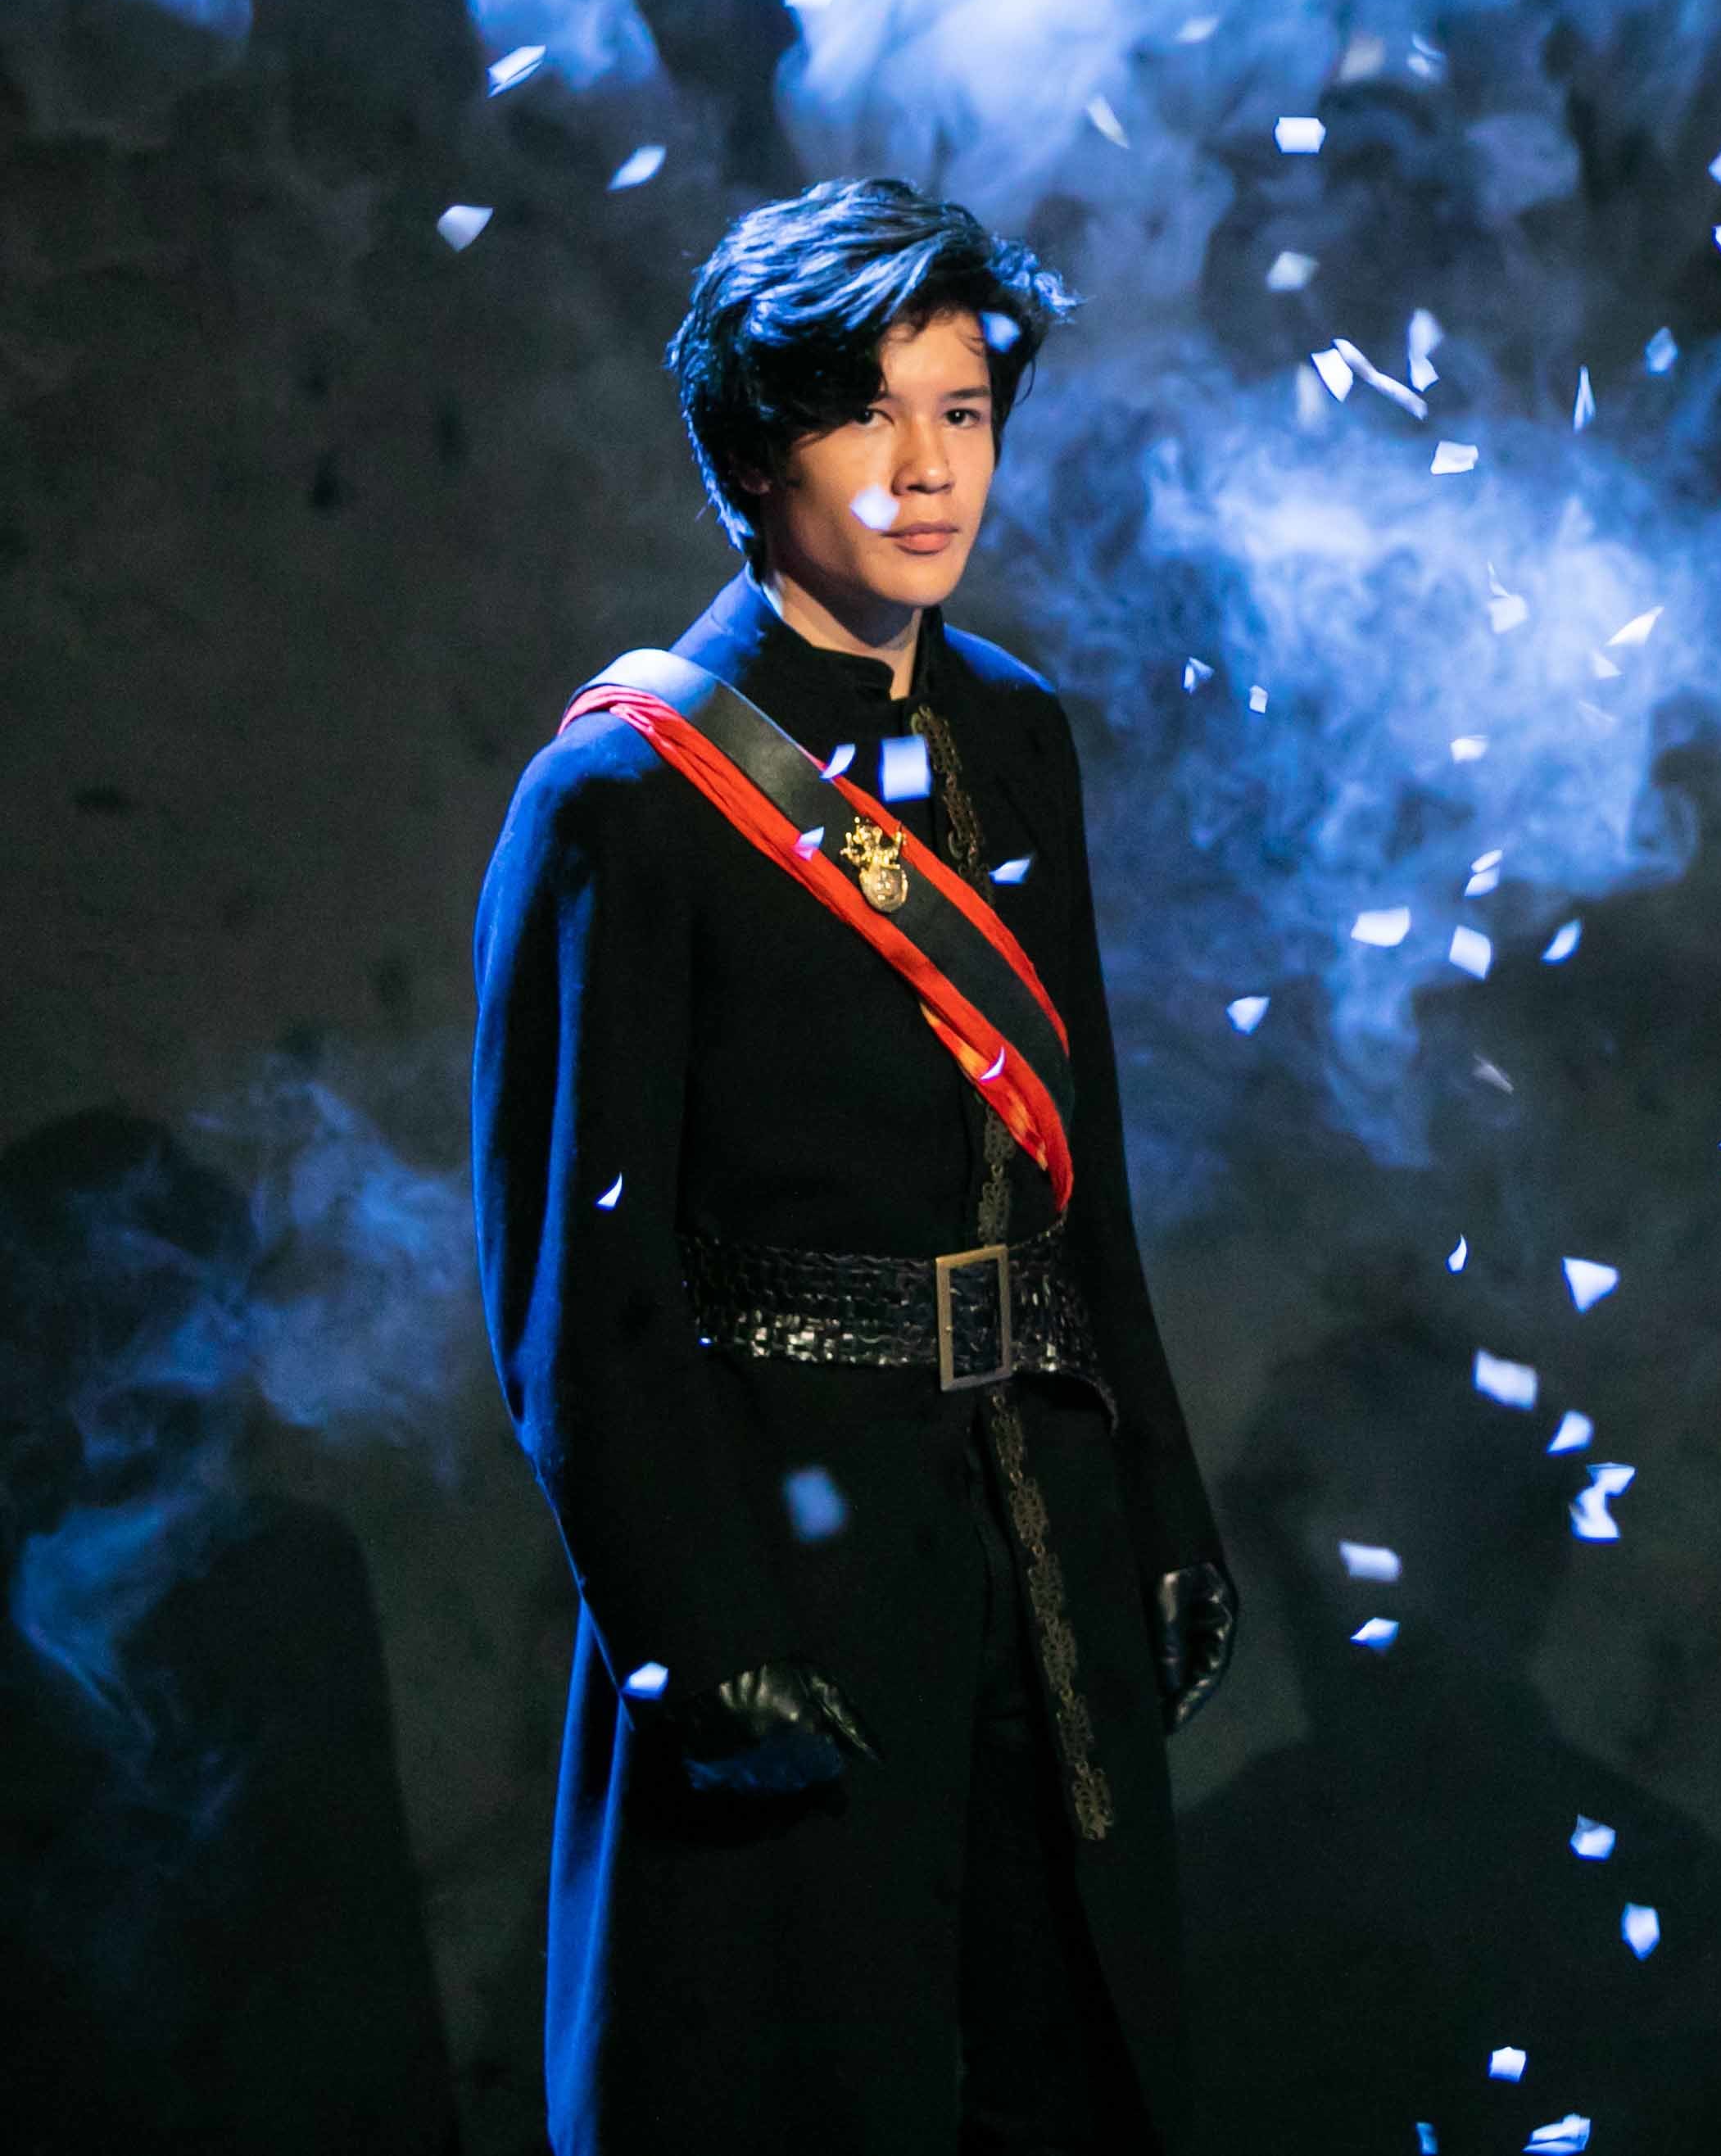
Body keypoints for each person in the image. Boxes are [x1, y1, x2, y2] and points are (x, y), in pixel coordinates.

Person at [472, 179, 1233, 2154]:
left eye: (962, 412)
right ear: (752, 450)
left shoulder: (1018, 735)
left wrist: (1157, 1499)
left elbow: (1084, 1188)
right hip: (784, 1564)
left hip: (1036, 1534)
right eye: (866, 415)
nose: (926, 469)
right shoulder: (623, 794)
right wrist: (694, 1636)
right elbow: (578, 1297)